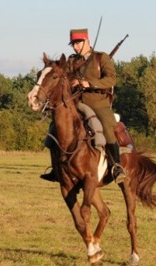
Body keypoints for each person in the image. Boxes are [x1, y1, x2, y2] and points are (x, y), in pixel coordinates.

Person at [40, 28, 124, 183]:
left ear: (86, 41)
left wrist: (88, 83)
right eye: (73, 44)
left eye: (77, 43)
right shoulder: (71, 60)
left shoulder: (101, 57)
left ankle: (116, 167)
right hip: (75, 103)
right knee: (54, 128)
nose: (75, 47)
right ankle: (55, 169)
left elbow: (111, 79)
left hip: (97, 103)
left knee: (107, 127)